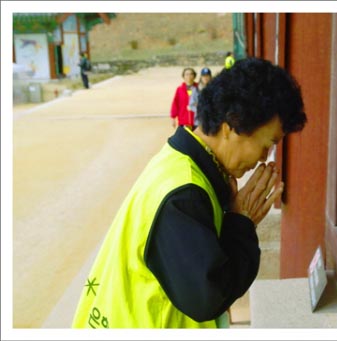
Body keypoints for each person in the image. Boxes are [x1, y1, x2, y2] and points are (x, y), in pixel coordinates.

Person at [72, 57, 307, 328]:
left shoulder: (183, 163)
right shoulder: (184, 195)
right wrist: (241, 224)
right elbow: (207, 298)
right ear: (233, 124)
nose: (264, 157)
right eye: (267, 144)